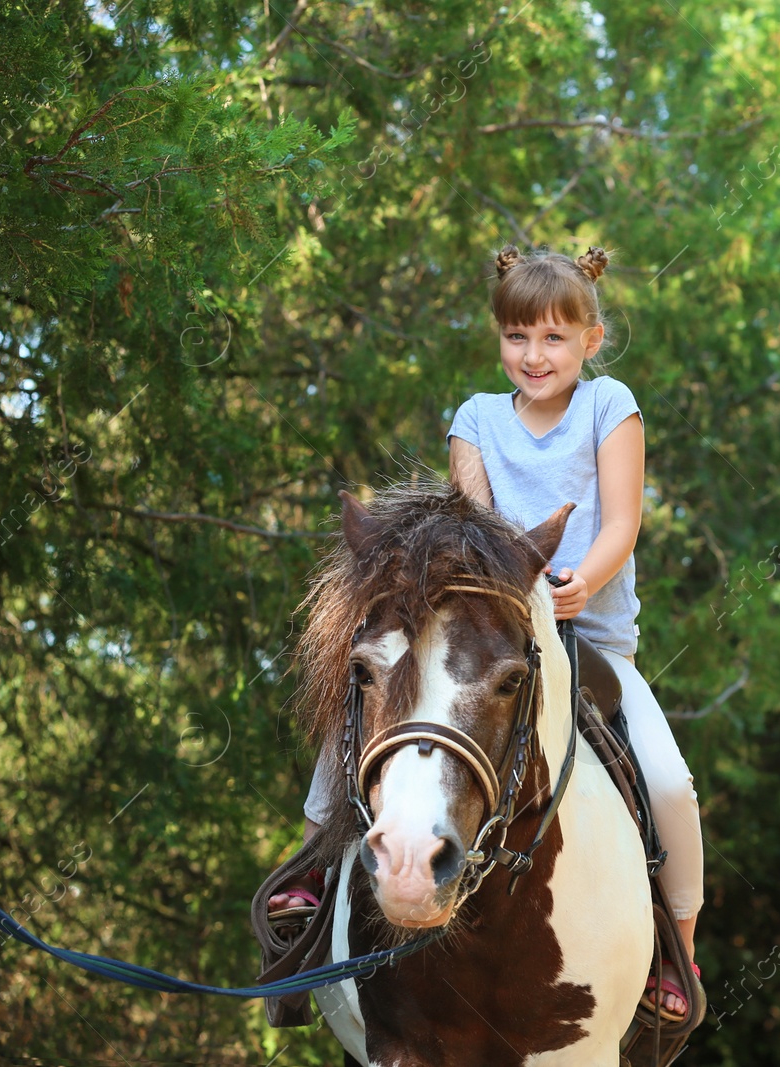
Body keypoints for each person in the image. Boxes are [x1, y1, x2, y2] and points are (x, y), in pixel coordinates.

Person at [269, 243, 704, 1020]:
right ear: (499, 338)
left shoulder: (612, 407)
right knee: (370, 707)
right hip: (492, 625)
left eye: (553, 339)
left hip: (591, 637)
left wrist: (581, 582)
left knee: (669, 780)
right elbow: (477, 529)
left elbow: (624, 521)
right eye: (516, 338)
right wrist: (510, 594)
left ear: (589, 342)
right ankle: (309, 871)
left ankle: (674, 948)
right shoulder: (475, 418)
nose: (533, 357)